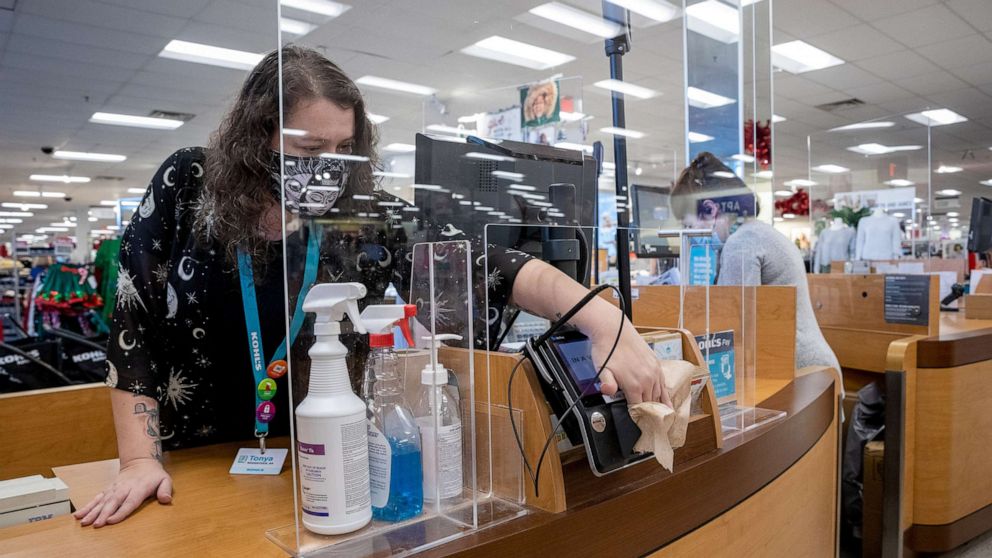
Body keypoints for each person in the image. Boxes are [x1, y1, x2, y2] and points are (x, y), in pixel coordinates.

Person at [73, 46, 670, 528]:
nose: (328, 167)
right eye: (308, 149)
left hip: (322, 467)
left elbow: (490, 262)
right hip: (194, 465)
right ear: (258, 140)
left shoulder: (365, 215)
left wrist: (603, 321)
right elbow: (134, 327)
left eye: (343, 150)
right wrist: (137, 461)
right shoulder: (187, 184)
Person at [670, 152, 840, 373]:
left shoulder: (741, 244)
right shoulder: (758, 232)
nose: (692, 234)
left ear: (710, 210)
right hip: (817, 370)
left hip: (800, 370)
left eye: (689, 226)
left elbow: (732, 329)